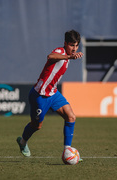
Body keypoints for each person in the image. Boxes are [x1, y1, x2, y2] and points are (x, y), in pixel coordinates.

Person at [16, 30, 83, 160]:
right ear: (65, 44)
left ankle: (67, 152)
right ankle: (22, 142)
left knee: (71, 117)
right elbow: (50, 57)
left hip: (53, 93)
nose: (74, 49)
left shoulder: (68, 56)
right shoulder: (60, 52)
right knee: (37, 126)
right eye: (71, 45)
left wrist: (70, 57)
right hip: (39, 96)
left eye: (76, 46)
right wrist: (69, 57)